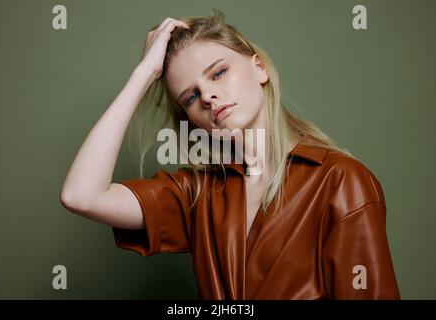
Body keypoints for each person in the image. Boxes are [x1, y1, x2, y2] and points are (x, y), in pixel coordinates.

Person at [60, 10, 400, 300]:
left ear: (260, 68)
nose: (207, 95)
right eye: (191, 97)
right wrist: (143, 74)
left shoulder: (341, 181)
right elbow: (81, 195)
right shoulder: (197, 193)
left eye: (218, 72)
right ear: (191, 119)